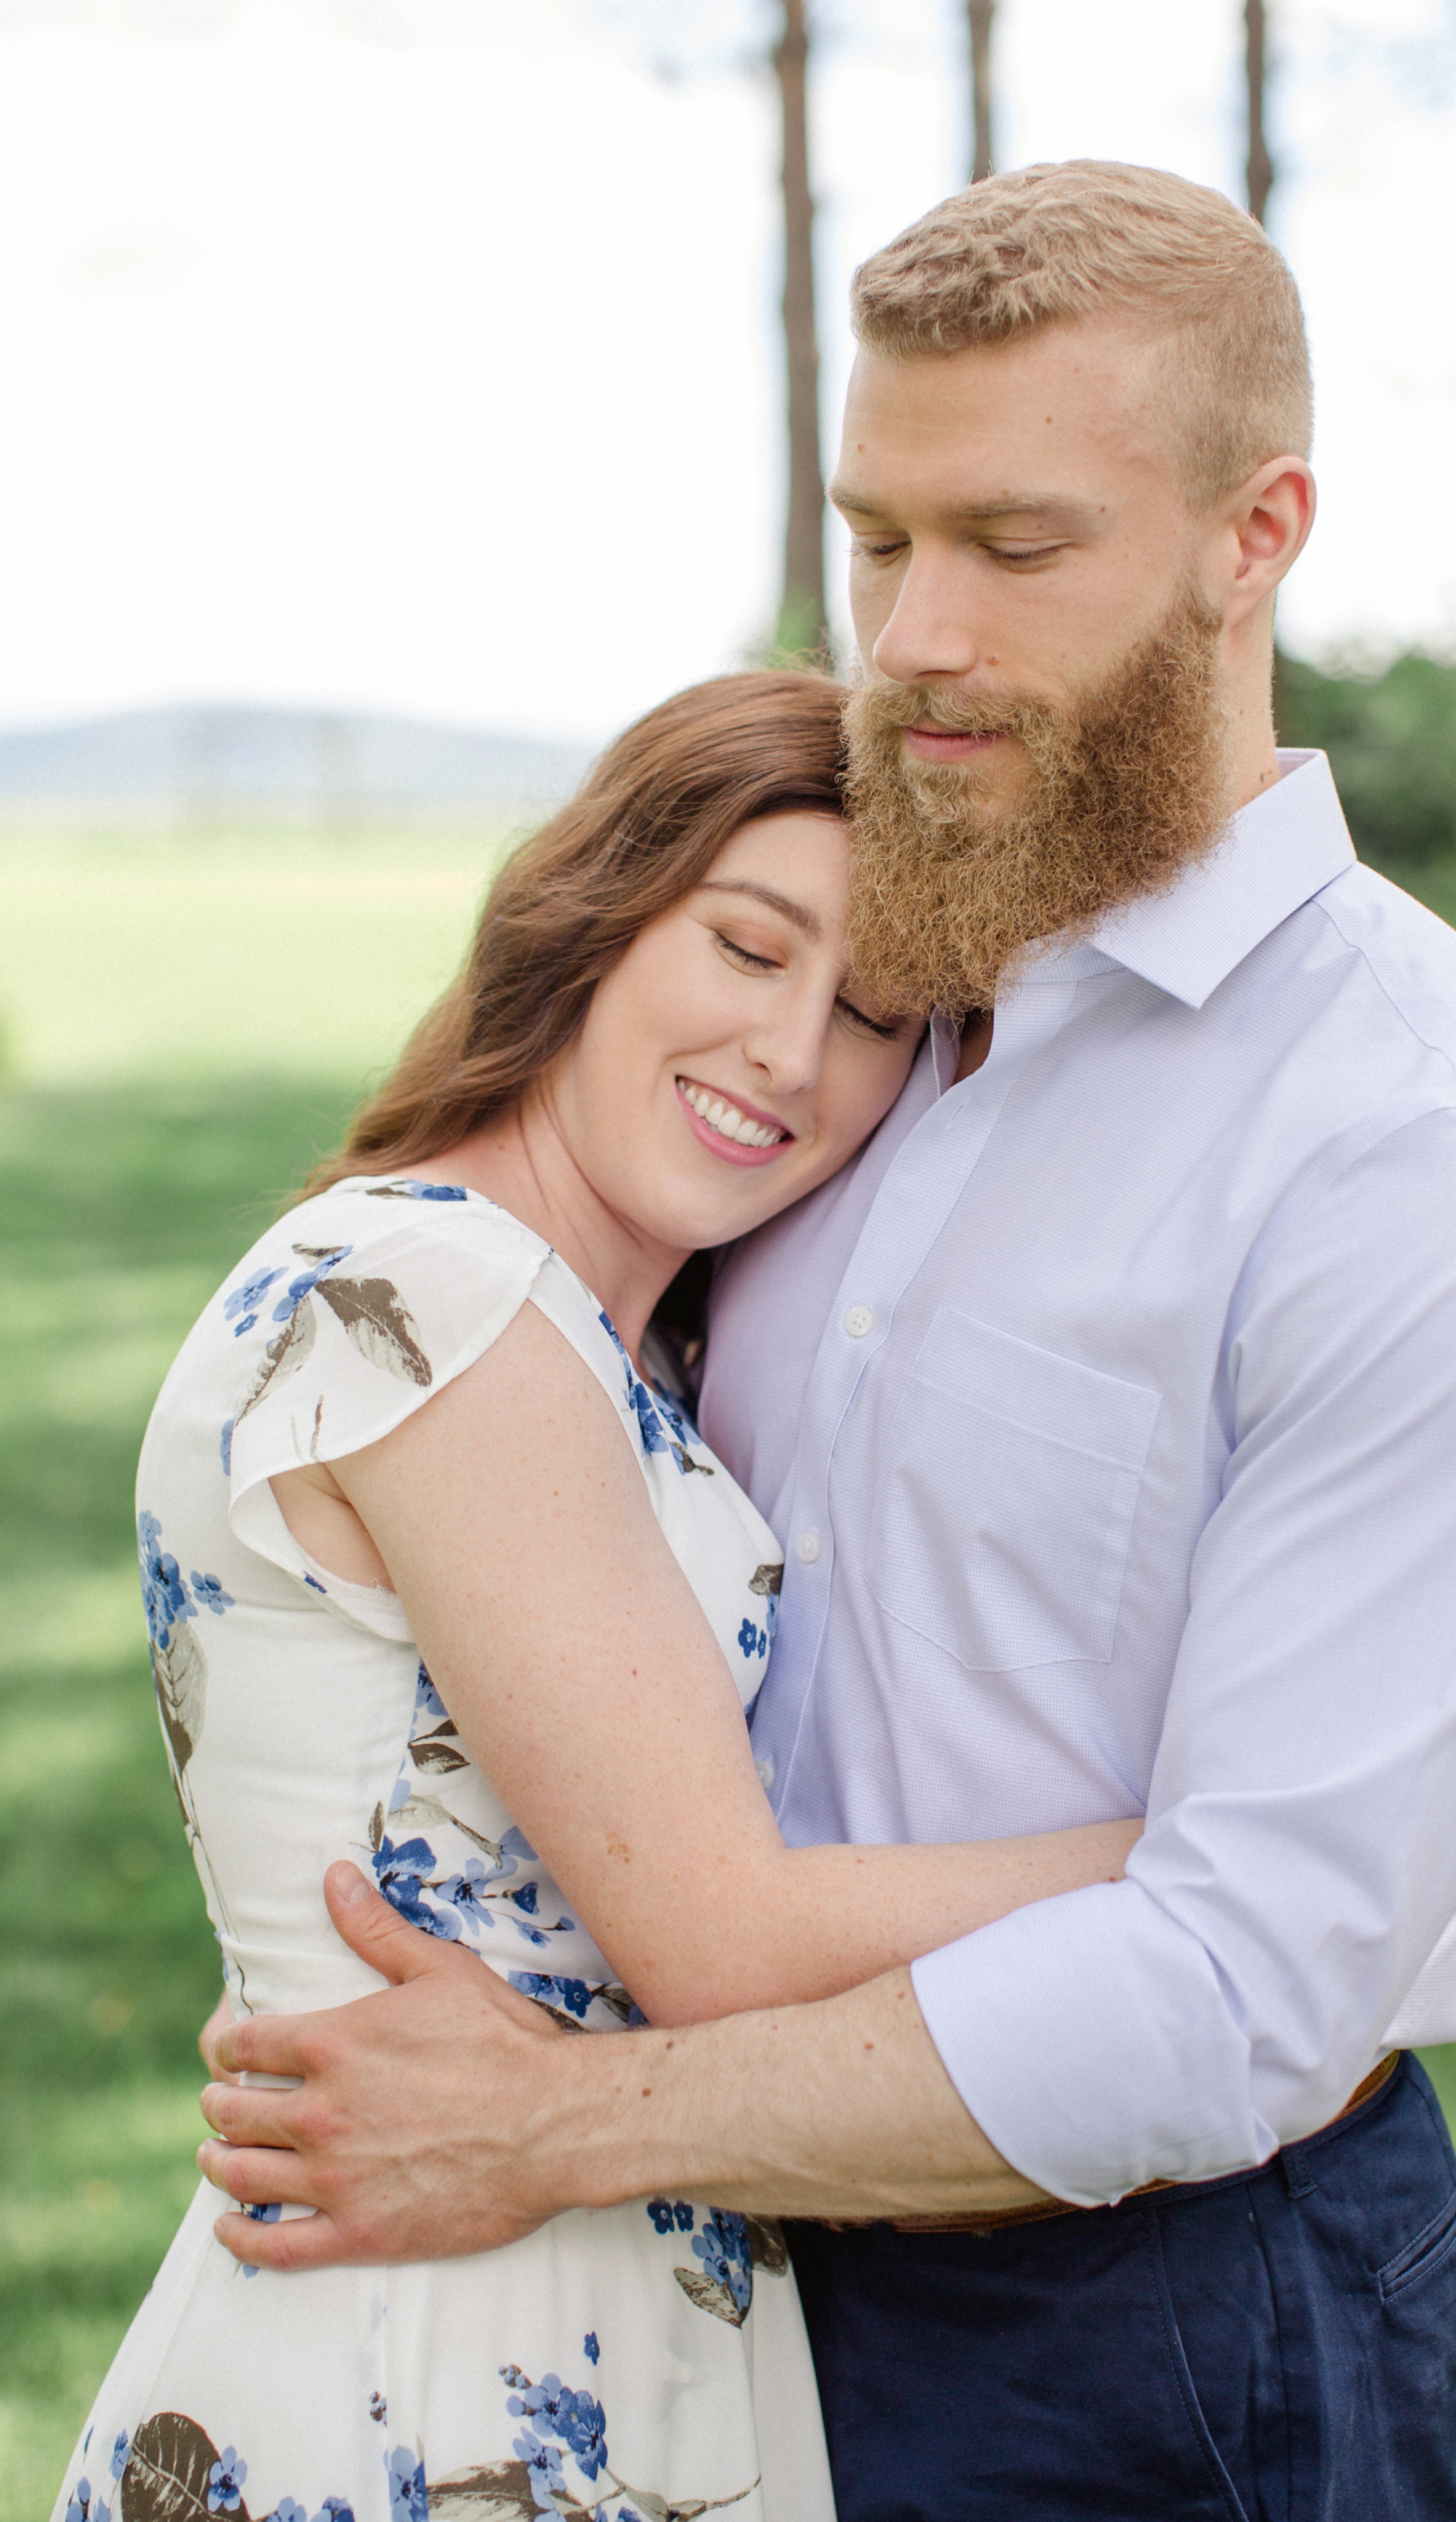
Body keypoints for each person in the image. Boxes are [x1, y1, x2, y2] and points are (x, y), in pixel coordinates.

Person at [195, 165, 1456, 2521]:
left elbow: (1236, 1995)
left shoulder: (1434, 1167)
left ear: (1248, 534)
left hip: (1142, 2319)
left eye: (1013, 543)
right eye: (879, 542)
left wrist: (563, 2124)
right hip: (694, 2267)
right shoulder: (866, 1039)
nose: (918, 637)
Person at [52, 670, 1149, 2522]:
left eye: (876, 1013)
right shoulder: (448, 1311)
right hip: (443, 2347)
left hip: (562, 2267)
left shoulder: (579, 1337)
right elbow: (718, 1939)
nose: (794, 1057)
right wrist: (1226, 1849)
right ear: (593, 914)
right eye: (744, 946)